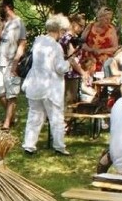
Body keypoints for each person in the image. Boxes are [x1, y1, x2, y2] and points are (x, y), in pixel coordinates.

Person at [21, 14, 85, 156]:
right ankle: (59, 146)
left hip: (35, 84)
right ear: (59, 30)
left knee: (34, 116)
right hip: (51, 87)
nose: (63, 34)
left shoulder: (38, 42)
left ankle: (29, 145)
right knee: (56, 117)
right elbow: (60, 68)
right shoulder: (56, 46)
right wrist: (70, 61)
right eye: (63, 31)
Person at [0, 0, 27, 131]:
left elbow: (22, 43)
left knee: (11, 94)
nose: (0, 9)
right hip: (0, 63)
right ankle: (12, 117)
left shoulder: (19, 22)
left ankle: (6, 123)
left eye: (1, 7)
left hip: (12, 62)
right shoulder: (5, 22)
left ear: (8, 7)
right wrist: (1, 25)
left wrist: (16, 62)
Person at [80, 7, 119, 72]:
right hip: (89, 61)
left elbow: (115, 47)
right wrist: (90, 49)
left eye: (110, 19)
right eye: (106, 19)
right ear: (100, 18)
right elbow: (81, 41)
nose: (108, 21)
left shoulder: (111, 29)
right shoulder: (90, 26)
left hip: (103, 63)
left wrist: (101, 51)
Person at [58, 13, 86, 106]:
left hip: (72, 74)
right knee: (69, 103)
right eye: (80, 25)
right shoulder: (68, 38)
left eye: (83, 27)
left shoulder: (72, 38)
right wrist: (83, 73)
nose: (82, 29)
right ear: (73, 23)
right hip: (69, 75)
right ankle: (66, 120)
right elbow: (72, 60)